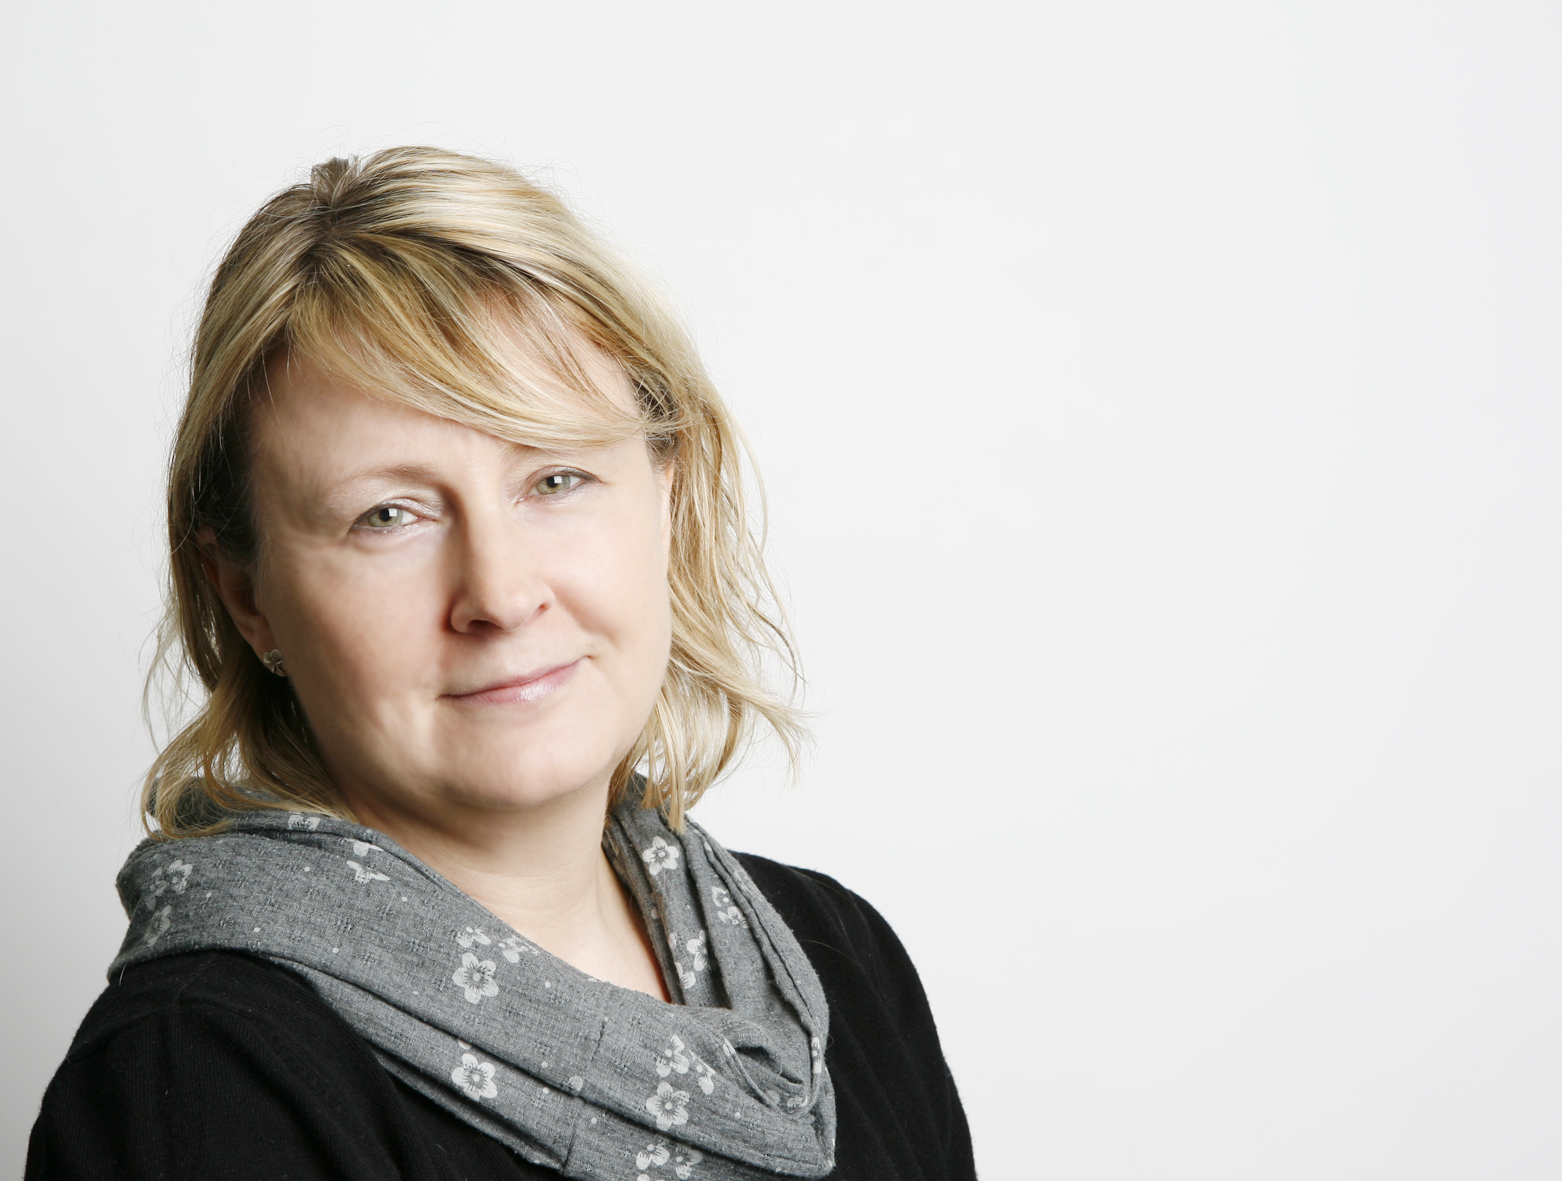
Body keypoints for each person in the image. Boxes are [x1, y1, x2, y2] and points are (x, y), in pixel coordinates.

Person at [26, 147, 973, 1181]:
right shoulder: (196, 1081)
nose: (501, 593)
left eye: (555, 478)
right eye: (389, 514)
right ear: (247, 596)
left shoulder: (836, 964)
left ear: (665, 494)